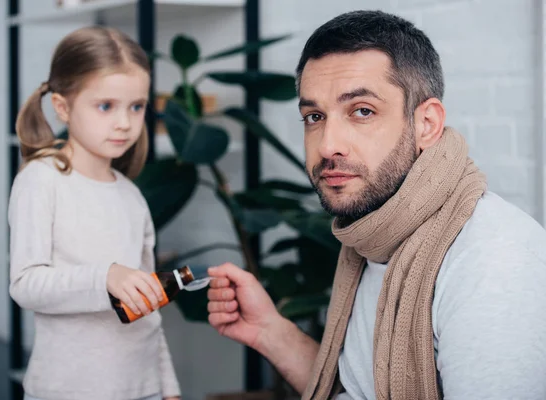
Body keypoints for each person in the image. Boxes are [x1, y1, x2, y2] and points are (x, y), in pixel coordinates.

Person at [207, 10, 546, 400]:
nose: (328, 143)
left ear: (427, 124)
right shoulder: (373, 235)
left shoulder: (492, 262)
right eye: (314, 116)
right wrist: (271, 330)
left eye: (362, 111)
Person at [8, 26, 180, 400]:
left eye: (136, 107)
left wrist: (168, 387)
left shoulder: (131, 196)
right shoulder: (42, 181)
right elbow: (25, 284)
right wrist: (104, 278)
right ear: (62, 107)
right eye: (106, 106)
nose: (124, 122)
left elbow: (148, 306)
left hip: (143, 388)